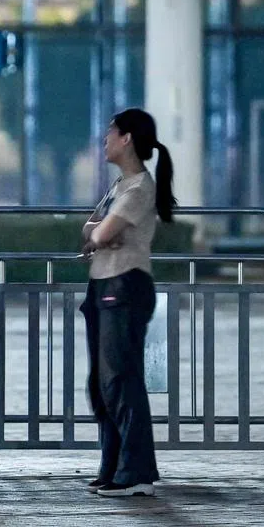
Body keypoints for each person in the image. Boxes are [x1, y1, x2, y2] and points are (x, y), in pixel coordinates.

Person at [80, 108, 175, 498]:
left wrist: (101, 234)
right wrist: (99, 233)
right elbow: (91, 230)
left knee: (121, 380)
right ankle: (114, 466)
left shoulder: (138, 188)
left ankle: (135, 473)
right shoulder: (118, 186)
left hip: (124, 284)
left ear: (128, 139)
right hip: (102, 284)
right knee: (102, 384)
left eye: (110, 132)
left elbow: (99, 234)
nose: (105, 139)